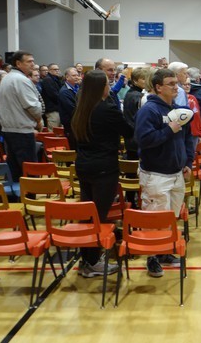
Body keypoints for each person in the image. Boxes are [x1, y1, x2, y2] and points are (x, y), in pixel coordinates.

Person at [71, 69, 132, 278]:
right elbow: (128, 131)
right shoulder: (107, 109)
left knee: (89, 214)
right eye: (107, 83)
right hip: (104, 166)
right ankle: (93, 261)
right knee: (98, 216)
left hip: (84, 165)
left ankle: (87, 259)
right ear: (101, 88)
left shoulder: (81, 107)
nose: (110, 86)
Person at [135, 68, 194, 278]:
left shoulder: (178, 109)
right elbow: (143, 140)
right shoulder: (148, 110)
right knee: (155, 219)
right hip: (156, 175)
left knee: (171, 217)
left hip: (177, 172)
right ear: (158, 87)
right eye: (171, 84)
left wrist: (188, 161)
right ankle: (151, 258)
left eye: (176, 83)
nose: (175, 87)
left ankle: (164, 252)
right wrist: (169, 129)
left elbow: (187, 137)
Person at [0, 51, 43, 182]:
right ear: (18, 63)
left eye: (33, 61)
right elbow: (33, 106)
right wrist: (38, 120)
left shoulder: (7, 78)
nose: (33, 65)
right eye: (29, 62)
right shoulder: (21, 80)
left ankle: (13, 198)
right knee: (29, 168)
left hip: (9, 130)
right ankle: (30, 198)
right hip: (21, 131)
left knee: (14, 168)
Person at [58, 66, 81, 149]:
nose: (77, 77)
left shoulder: (77, 88)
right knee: (73, 148)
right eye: (74, 75)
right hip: (70, 125)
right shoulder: (64, 92)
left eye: (77, 75)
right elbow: (73, 109)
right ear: (67, 77)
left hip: (77, 125)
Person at [39, 63, 63, 130]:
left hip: (57, 108)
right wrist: (62, 99)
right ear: (49, 70)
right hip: (52, 109)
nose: (57, 71)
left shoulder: (56, 79)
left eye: (58, 69)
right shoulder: (48, 80)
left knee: (59, 131)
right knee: (53, 131)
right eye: (55, 69)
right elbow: (53, 95)